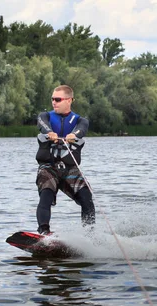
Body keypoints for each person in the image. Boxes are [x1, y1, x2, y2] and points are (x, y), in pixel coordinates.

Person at [34, 85, 95, 235]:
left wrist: (74, 135)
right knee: (46, 194)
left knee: (87, 198)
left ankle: (90, 235)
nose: (54, 102)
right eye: (52, 99)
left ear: (69, 100)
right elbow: (42, 124)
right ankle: (44, 232)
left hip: (70, 169)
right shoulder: (45, 116)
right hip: (49, 166)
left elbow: (81, 129)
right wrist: (50, 132)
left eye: (58, 99)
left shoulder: (81, 121)